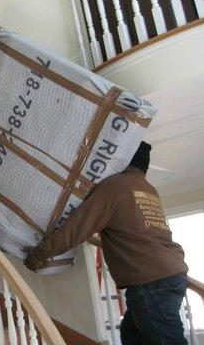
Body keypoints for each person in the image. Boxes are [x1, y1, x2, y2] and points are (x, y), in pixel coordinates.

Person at [25, 141, 188, 345]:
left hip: (151, 282)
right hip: (172, 274)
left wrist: (39, 254)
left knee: (166, 340)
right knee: (132, 334)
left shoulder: (115, 186)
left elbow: (77, 228)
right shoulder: (149, 190)